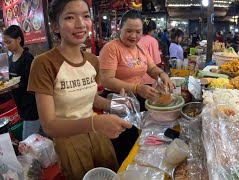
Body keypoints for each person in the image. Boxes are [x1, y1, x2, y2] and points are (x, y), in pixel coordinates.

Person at [27, 1, 132, 179]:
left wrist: (114, 104)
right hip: (68, 141)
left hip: (98, 135)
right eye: (69, 17)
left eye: (85, 16)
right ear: (55, 26)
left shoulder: (92, 60)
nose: (80, 24)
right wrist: (95, 123)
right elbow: (49, 126)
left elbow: (89, 98)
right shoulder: (43, 63)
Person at [98, 10, 174, 164]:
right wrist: (137, 88)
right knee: (123, 144)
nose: (134, 36)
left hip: (138, 97)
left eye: (138, 32)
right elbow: (106, 80)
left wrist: (162, 74)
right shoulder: (111, 48)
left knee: (140, 140)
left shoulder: (140, 48)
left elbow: (151, 69)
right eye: (129, 31)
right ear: (120, 29)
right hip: (118, 100)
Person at [3, 25, 41, 140]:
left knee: (28, 141)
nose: (6, 46)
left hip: (31, 105)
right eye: (5, 43)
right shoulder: (10, 59)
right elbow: (7, 79)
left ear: (19, 39)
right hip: (20, 105)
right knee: (40, 138)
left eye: (9, 42)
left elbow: (34, 84)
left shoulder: (27, 58)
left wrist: (17, 85)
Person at [139, 19, 162, 85]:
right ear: (152, 30)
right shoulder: (152, 41)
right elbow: (157, 61)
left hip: (136, 77)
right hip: (149, 78)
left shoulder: (137, 38)